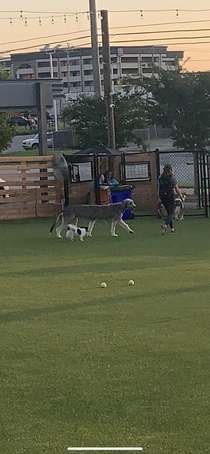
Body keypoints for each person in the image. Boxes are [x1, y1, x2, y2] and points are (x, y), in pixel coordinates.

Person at [158, 164, 183, 235]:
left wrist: (159, 197)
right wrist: (180, 196)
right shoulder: (172, 178)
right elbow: (176, 188)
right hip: (169, 196)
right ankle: (165, 225)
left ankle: (172, 229)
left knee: (169, 212)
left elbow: (159, 188)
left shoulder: (160, 178)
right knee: (171, 213)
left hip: (162, 196)